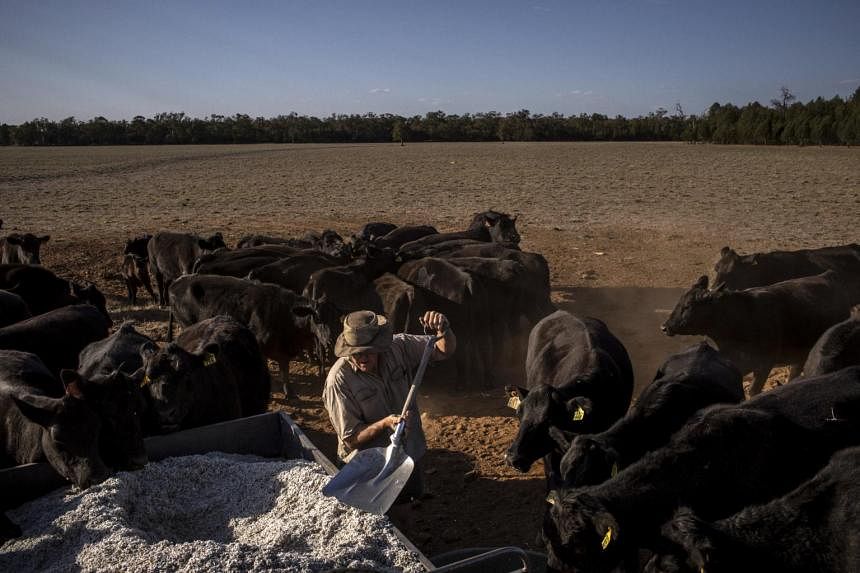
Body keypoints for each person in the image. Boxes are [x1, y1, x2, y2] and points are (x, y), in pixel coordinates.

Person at [323, 309, 456, 501]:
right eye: (355, 353)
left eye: (368, 351)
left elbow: (444, 350)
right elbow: (350, 439)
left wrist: (444, 329)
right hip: (367, 467)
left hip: (407, 451)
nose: (362, 358)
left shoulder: (398, 346)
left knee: (409, 505)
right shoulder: (338, 381)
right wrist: (385, 423)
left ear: (379, 345)